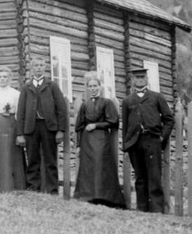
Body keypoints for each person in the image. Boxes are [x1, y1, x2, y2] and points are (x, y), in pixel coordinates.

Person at [121, 65, 174, 213]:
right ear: (132, 80)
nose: (140, 80)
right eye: (137, 77)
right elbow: (125, 125)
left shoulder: (157, 97)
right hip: (135, 143)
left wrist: (162, 137)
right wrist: (126, 145)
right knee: (140, 177)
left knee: (154, 176)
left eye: (142, 77)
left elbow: (169, 119)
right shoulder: (127, 101)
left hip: (152, 141)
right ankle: (142, 208)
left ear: (147, 79)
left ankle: (157, 209)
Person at [73, 71, 126, 208]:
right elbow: (79, 126)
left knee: (101, 166)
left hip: (101, 139)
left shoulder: (106, 103)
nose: (93, 88)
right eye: (90, 86)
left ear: (100, 87)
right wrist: (78, 145)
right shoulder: (85, 106)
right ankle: (88, 195)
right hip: (87, 141)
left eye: (95, 86)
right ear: (87, 88)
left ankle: (104, 197)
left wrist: (96, 125)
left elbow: (113, 121)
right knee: (88, 168)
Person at [15, 56, 68, 194]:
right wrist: (20, 133)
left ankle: (52, 190)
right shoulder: (26, 87)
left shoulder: (52, 86)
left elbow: (61, 109)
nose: (39, 68)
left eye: (41, 65)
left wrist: (60, 130)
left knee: (50, 160)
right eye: (36, 65)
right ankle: (34, 188)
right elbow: (20, 112)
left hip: (48, 127)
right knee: (33, 159)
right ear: (32, 68)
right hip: (31, 128)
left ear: (44, 67)